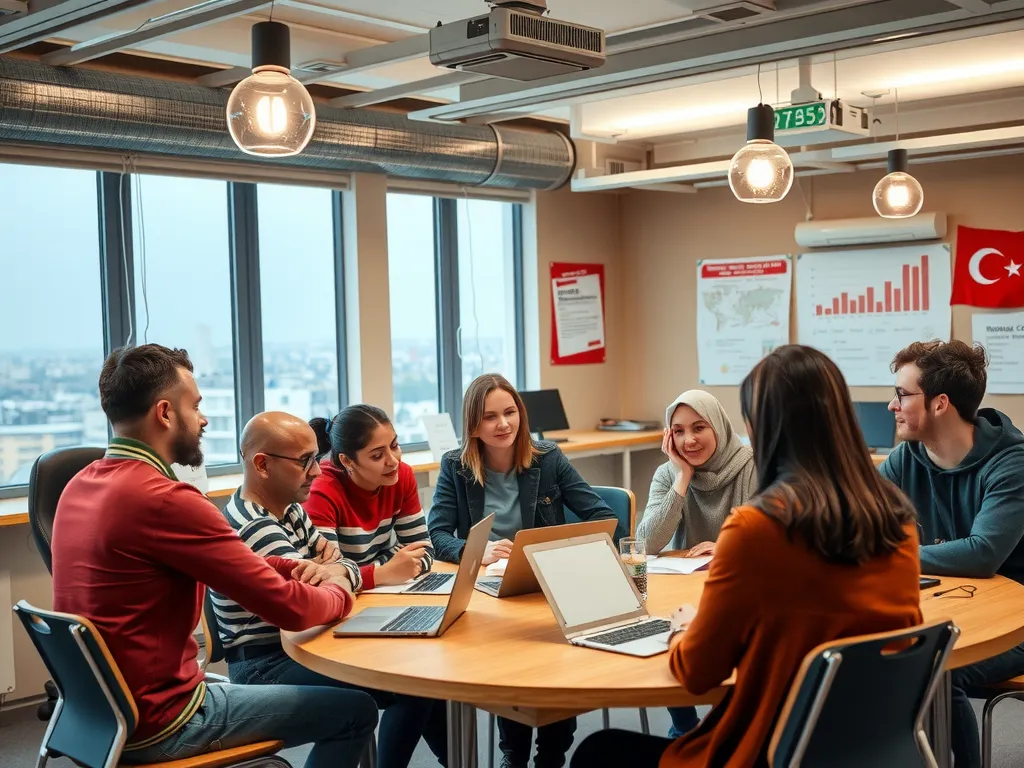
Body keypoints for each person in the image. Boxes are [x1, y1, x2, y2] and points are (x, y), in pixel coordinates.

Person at [571, 345, 923, 768]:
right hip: (866, 744)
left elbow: (698, 674)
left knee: (598, 752)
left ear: (762, 426)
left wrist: (684, 627)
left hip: (776, 749)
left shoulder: (758, 528)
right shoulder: (895, 516)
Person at [50, 344, 378, 766]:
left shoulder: (79, 486)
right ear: (166, 413)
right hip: (165, 719)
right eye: (197, 406)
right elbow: (293, 611)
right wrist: (340, 588)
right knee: (356, 712)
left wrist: (289, 565)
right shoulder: (166, 500)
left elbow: (230, 558)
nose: (203, 419)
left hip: (100, 716)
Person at [215, 411, 449, 768]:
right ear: (262, 465)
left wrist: (335, 571)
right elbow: (316, 596)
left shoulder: (289, 509)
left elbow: (339, 567)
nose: (317, 471)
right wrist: (335, 572)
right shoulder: (255, 526)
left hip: (308, 640)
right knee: (408, 687)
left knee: (419, 682)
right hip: (267, 662)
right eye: (305, 461)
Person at [428, 373, 624, 768]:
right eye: (489, 417)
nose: (503, 424)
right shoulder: (456, 465)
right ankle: (513, 755)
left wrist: (558, 549)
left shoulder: (547, 458)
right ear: (472, 425)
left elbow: (601, 516)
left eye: (510, 412)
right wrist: (475, 551)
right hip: (488, 587)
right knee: (508, 660)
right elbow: (437, 532)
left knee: (558, 657)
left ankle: (551, 756)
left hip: (546, 582)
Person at [880, 339, 1024, 768]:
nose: (892, 405)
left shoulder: (1011, 463)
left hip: (1015, 619)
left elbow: (982, 554)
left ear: (941, 403)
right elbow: (861, 525)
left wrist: (891, 556)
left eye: (902, 395)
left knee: (941, 671)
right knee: (877, 656)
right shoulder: (905, 459)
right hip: (947, 605)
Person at [636, 389, 756, 740]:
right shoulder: (668, 474)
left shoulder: (754, 466)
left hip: (739, 589)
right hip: (684, 588)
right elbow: (647, 543)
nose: (688, 439)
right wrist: (682, 478)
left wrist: (727, 547)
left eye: (699, 427)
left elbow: (775, 537)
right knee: (667, 620)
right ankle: (685, 726)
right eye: (678, 431)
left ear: (718, 425)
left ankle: (726, 727)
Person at [304, 404, 433, 591]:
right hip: (342, 602)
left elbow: (424, 551)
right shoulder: (321, 490)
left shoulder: (401, 475)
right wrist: (385, 572)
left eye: (395, 446)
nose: (393, 461)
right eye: (377, 456)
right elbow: (327, 577)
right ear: (347, 461)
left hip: (378, 590)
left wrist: (378, 571)